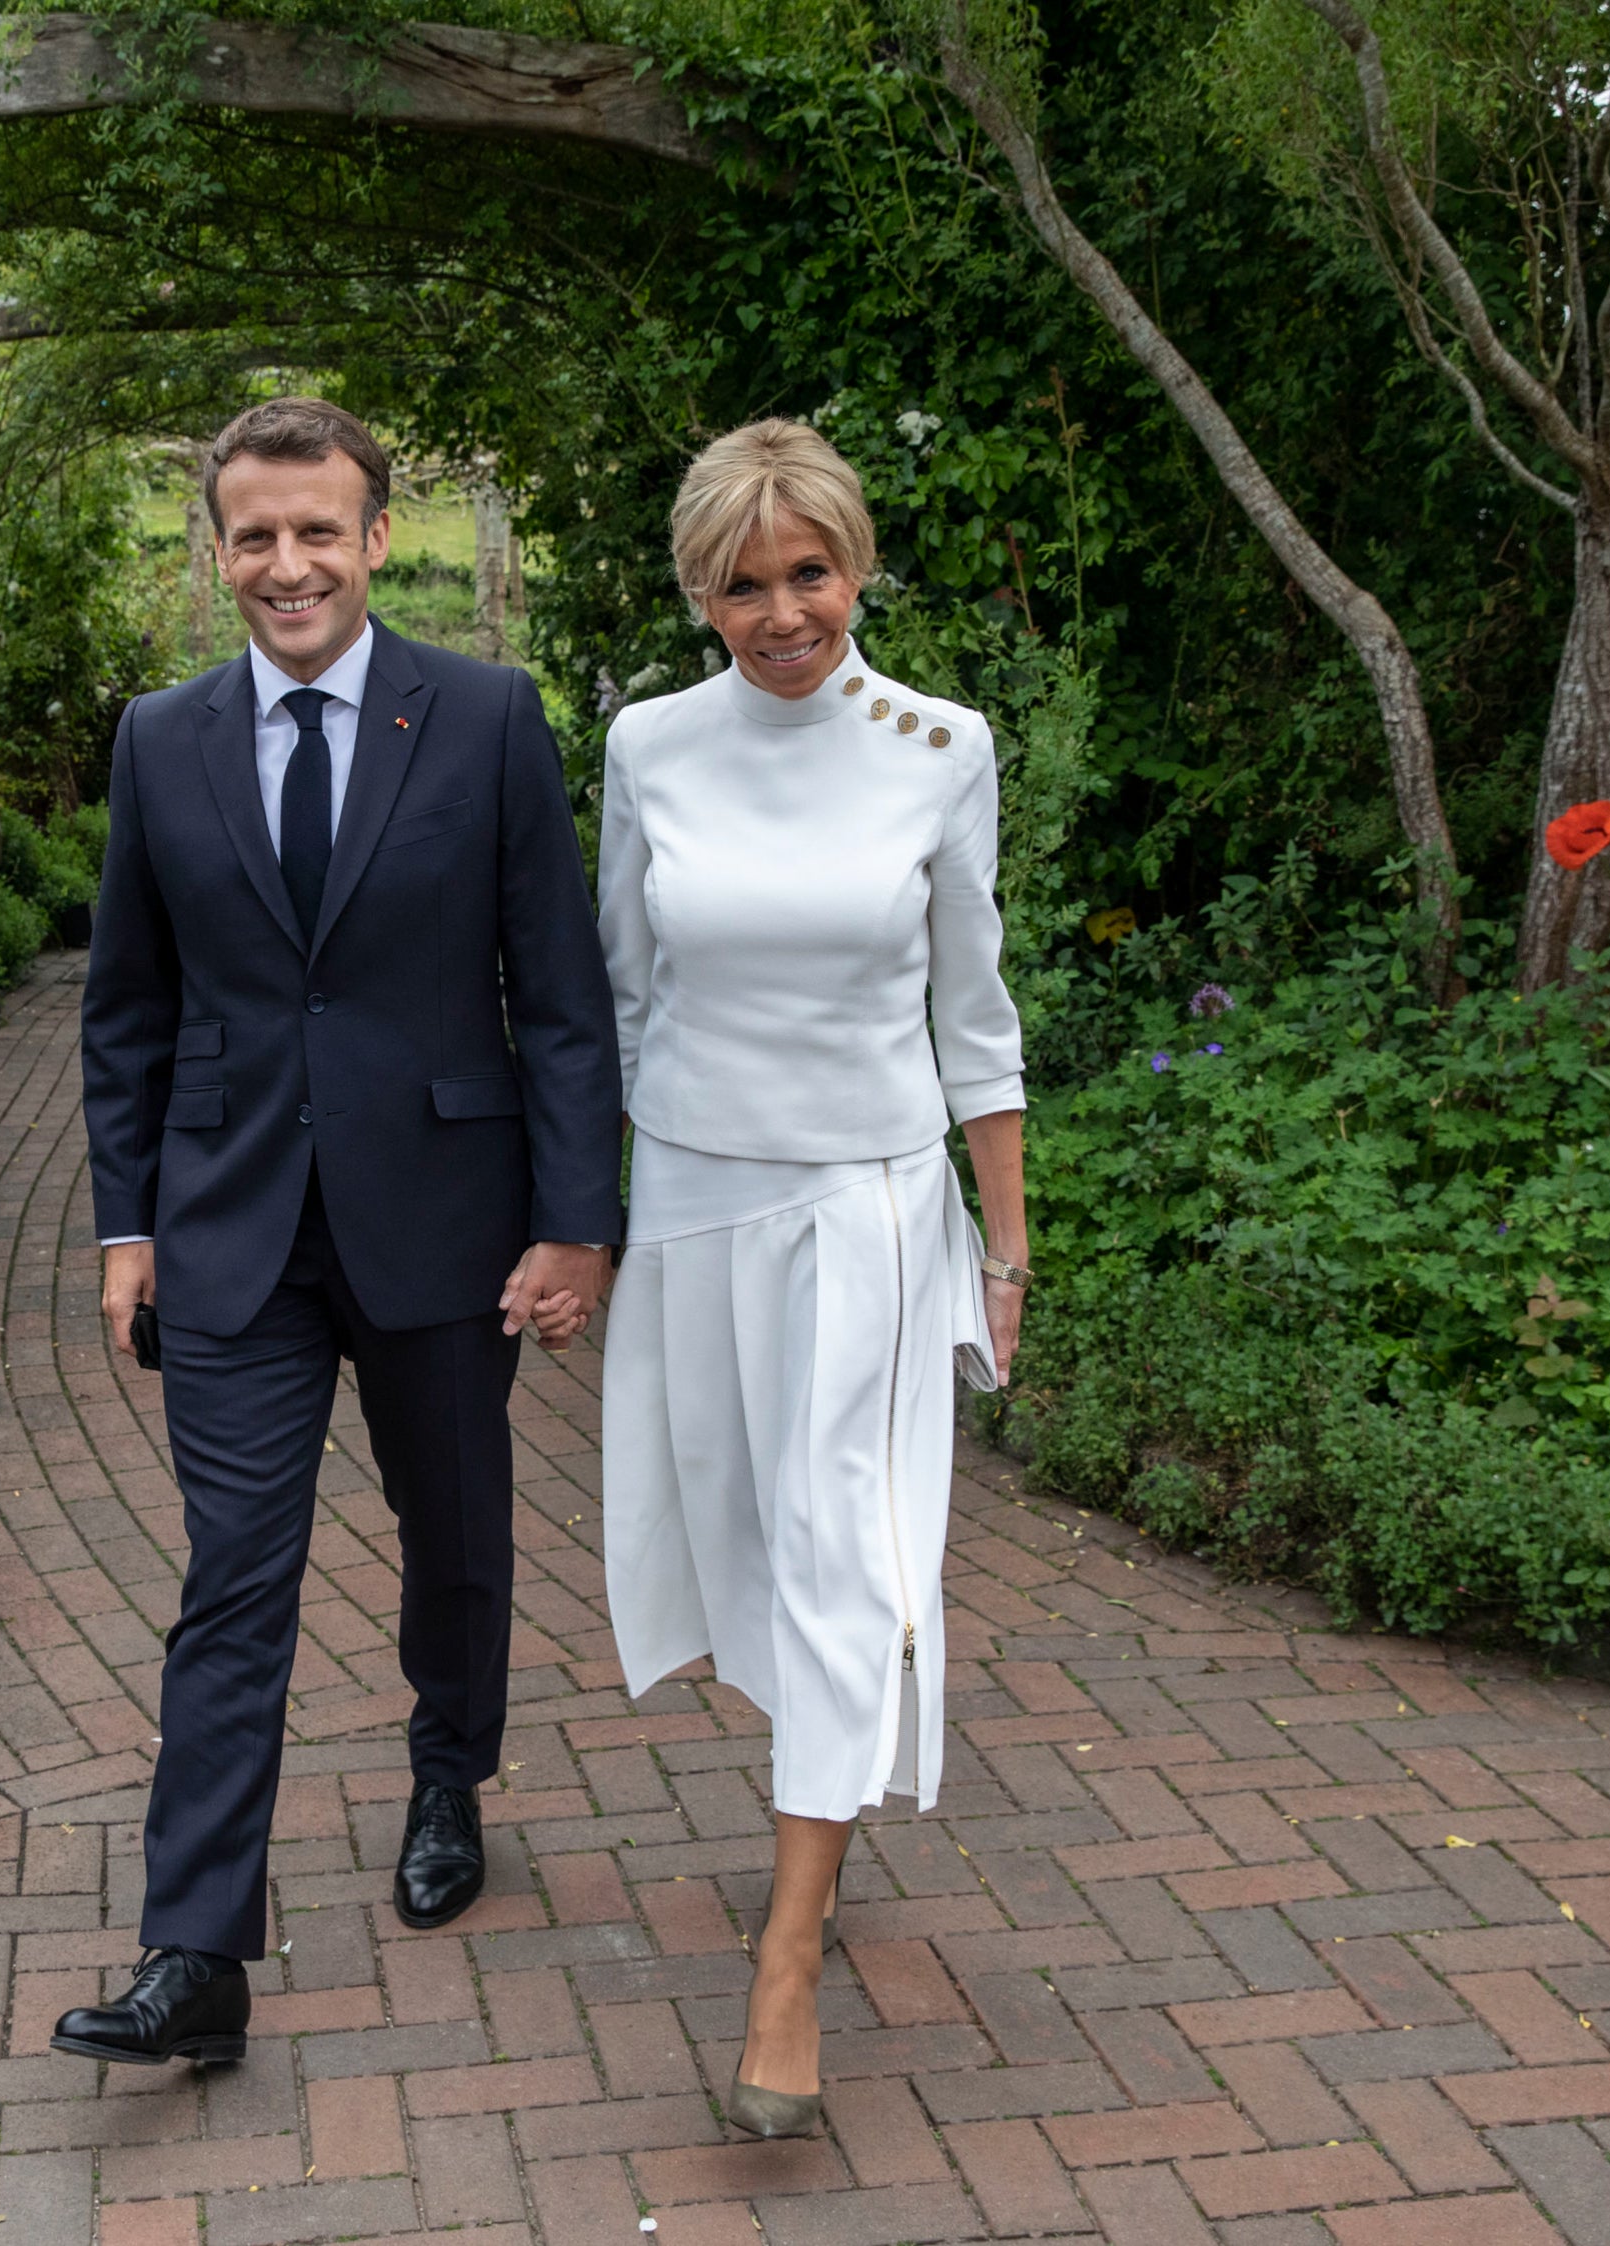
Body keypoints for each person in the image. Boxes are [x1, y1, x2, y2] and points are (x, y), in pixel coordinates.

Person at [63, 397, 623, 2068]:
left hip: (445, 1220)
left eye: (319, 529)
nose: (287, 562)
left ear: (375, 537)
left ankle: (449, 1771)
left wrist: (575, 1223)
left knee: (453, 1537)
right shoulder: (158, 740)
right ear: (218, 547)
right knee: (233, 1580)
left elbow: (565, 1002)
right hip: (234, 1229)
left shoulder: (485, 716)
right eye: (255, 534)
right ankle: (194, 1947)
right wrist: (126, 1223)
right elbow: (126, 1011)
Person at [593, 418, 1031, 2138]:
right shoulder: (646, 745)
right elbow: (626, 989)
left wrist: (1003, 1245)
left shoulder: (939, 743)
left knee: (850, 1553)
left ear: (853, 564)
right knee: (743, 1553)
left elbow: (974, 1016)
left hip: (866, 1206)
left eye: (810, 572)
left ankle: (784, 1953)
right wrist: (592, 1215)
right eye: (742, 581)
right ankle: (814, 1811)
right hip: (699, 1199)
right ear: (699, 591)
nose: (783, 613)